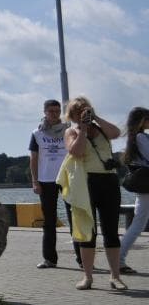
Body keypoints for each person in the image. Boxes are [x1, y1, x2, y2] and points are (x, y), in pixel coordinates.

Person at [57, 96, 126, 290]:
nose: (82, 114)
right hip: (86, 183)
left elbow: (117, 133)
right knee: (87, 232)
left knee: (111, 231)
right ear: (72, 114)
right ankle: (87, 277)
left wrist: (95, 118)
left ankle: (115, 276)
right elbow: (76, 152)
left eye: (85, 110)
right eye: (78, 111)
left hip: (109, 181)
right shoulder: (71, 131)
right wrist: (83, 129)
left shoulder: (102, 129)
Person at [28, 99, 81, 269]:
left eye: (57, 111)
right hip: (46, 180)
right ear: (44, 112)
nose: (54, 114)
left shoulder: (69, 130)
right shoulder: (37, 133)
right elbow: (33, 158)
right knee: (49, 221)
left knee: (75, 219)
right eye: (51, 111)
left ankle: (82, 259)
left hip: (68, 178)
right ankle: (50, 259)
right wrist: (35, 181)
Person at [118, 106, 149, 274]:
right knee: (138, 225)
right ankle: (119, 259)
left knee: (138, 223)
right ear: (142, 121)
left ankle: (119, 258)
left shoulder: (135, 138)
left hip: (143, 184)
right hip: (146, 185)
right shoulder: (141, 137)